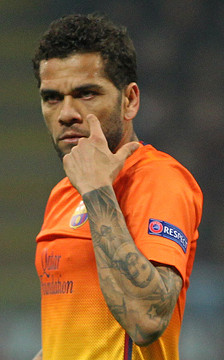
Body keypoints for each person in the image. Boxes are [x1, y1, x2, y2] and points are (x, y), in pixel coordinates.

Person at [31, 13, 202, 360]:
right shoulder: (63, 194)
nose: (66, 113)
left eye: (86, 93)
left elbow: (146, 319)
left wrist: (97, 193)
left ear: (130, 101)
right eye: (52, 98)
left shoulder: (158, 179)